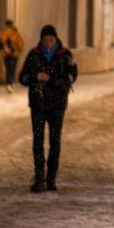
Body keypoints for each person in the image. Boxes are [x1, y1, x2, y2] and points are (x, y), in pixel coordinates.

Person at [18, 25, 78, 192]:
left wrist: (56, 79)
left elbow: (72, 76)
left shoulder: (65, 55)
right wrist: (35, 76)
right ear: (42, 40)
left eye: (51, 39)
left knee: (55, 140)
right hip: (38, 103)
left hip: (57, 104)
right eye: (46, 39)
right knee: (38, 141)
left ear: (56, 39)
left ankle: (51, 179)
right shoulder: (33, 55)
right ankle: (39, 178)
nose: (48, 42)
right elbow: (22, 78)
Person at [0, 19, 24, 93]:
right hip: (14, 55)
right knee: (12, 69)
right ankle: (10, 84)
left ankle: (8, 83)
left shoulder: (3, 33)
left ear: (6, 25)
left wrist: (5, 50)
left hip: (6, 55)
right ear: (12, 25)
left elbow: (0, 44)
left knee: (8, 69)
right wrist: (17, 49)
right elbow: (21, 45)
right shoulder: (15, 33)